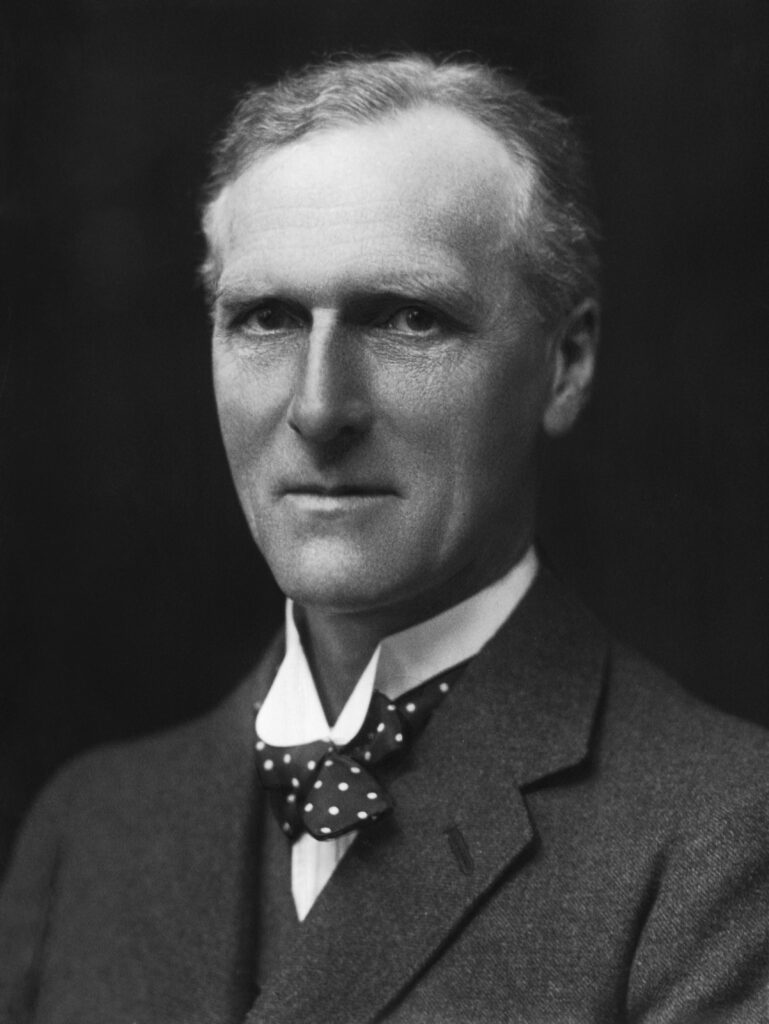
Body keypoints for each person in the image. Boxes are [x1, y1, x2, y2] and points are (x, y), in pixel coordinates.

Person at [1, 53, 767, 1024]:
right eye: (267, 317)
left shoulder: (723, 835)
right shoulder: (91, 829)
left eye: (409, 318)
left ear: (564, 364)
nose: (319, 409)